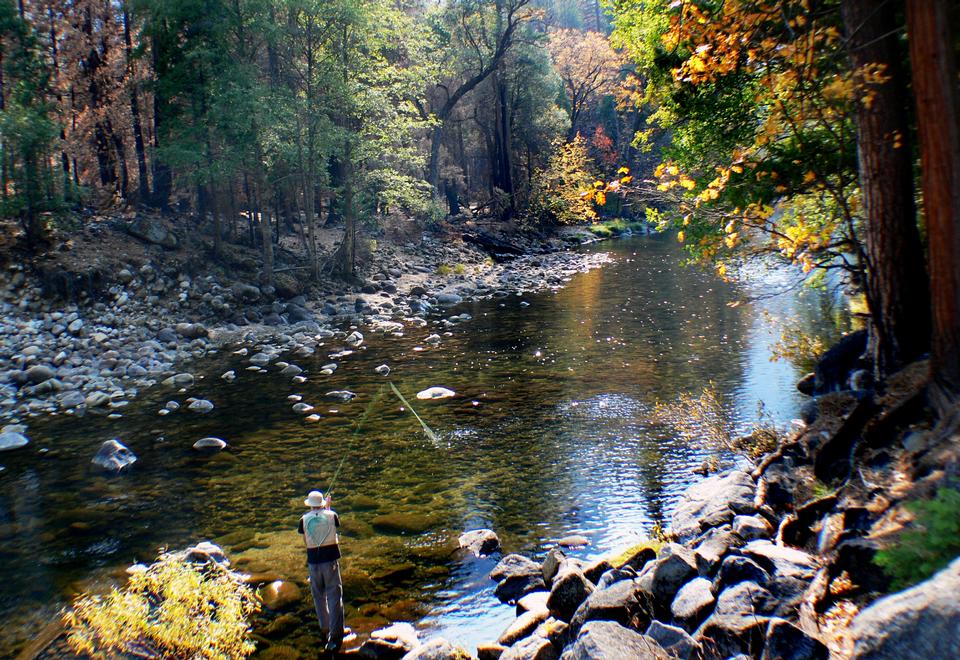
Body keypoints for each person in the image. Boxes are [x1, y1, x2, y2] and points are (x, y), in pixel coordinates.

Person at [299, 490, 344, 651]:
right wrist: (328, 508)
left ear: (310, 505)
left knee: (319, 596)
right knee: (334, 596)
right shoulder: (332, 515)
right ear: (323, 503)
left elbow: (306, 538)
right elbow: (331, 523)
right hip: (330, 562)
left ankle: (324, 629)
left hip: (313, 563)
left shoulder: (303, 519)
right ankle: (336, 634)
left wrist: (326, 507)